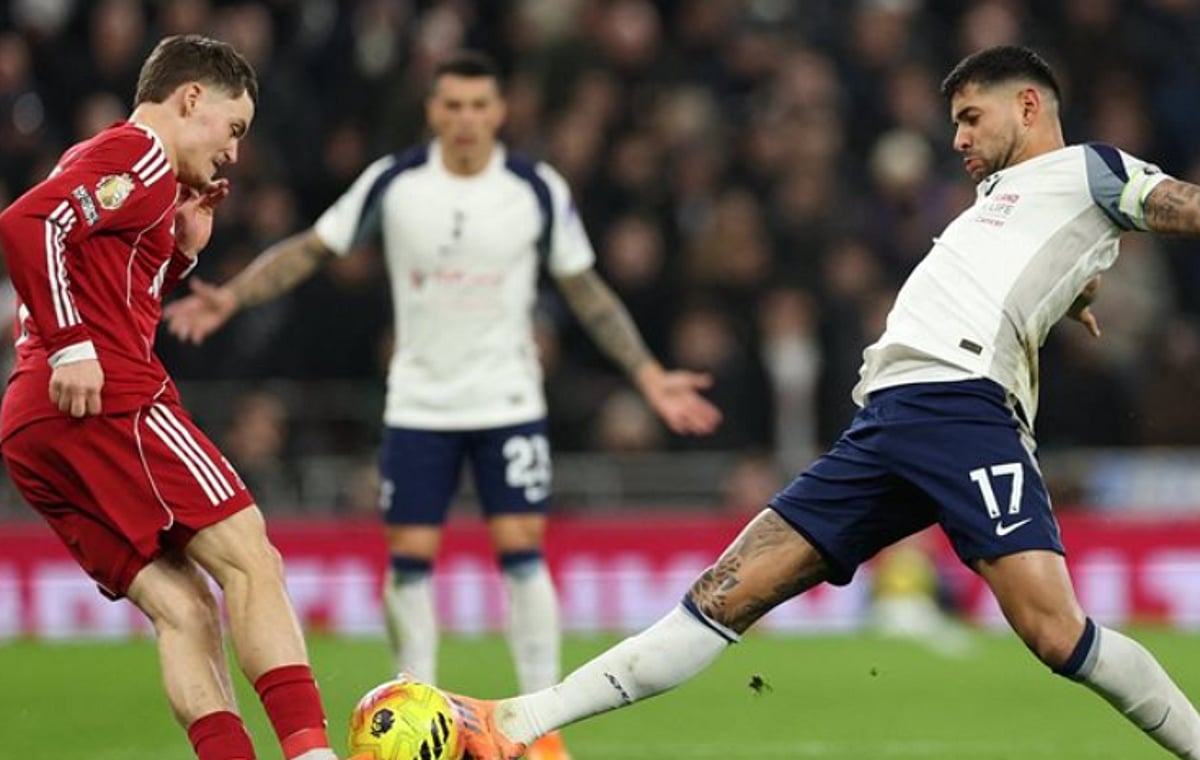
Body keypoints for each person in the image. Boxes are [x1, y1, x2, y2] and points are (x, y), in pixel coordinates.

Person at [439, 45, 1200, 760]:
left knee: (1055, 632)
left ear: (1028, 106)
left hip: (961, 409)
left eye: (972, 118)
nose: (958, 139)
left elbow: (1174, 205)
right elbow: (1040, 258)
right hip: (884, 425)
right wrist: (1073, 292)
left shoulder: (1090, 168)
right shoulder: (997, 201)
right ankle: (513, 724)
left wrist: (1081, 278)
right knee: (721, 595)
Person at [163, 51, 722, 760]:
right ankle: (417, 706)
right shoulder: (395, 182)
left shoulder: (534, 188)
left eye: (478, 106)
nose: (465, 119)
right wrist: (234, 297)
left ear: (499, 112)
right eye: (452, 105)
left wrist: (647, 374)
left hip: (508, 399)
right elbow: (313, 249)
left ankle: (541, 729)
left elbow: (585, 289)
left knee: (523, 555)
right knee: (410, 562)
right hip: (420, 405)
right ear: (433, 111)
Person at [0, 36, 345, 760]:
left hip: (33, 423)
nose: (234, 152)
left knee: (185, 609)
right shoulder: (140, 154)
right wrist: (72, 344)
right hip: (106, 398)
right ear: (191, 99)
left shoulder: (124, 172)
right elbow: (26, 223)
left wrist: (179, 248)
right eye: (234, 127)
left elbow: (105, 282)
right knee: (251, 559)